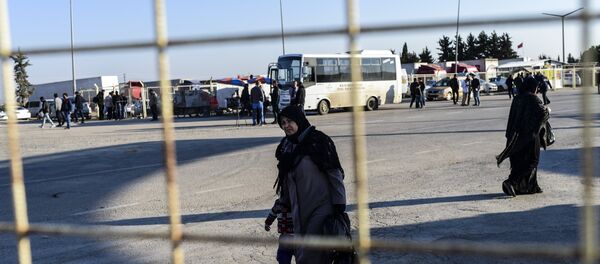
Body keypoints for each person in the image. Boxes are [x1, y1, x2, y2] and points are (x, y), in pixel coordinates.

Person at [274, 105, 347, 263]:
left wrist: (339, 204)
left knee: (311, 253)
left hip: (321, 207)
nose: (286, 126)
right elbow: (285, 180)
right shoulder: (286, 146)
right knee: (302, 252)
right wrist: (282, 203)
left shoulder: (318, 140)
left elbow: (334, 172)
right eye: (283, 123)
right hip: (298, 210)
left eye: (290, 121)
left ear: (299, 120)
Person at [496, 76, 550, 197]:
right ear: (533, 87)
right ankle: (511, 182)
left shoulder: (517, 98)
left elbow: (512, 117)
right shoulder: (533, 99)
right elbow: (542, 114)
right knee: (532, 161)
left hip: (515, 136)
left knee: (519, 161)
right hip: (530, 136)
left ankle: (528, 187)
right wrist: (548, 111)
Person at [264, 198, 295, 264]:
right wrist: (267, 223)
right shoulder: (278, 203)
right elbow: (273, 213)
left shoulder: (299, 201)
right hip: (285, 237)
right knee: (283, 258)